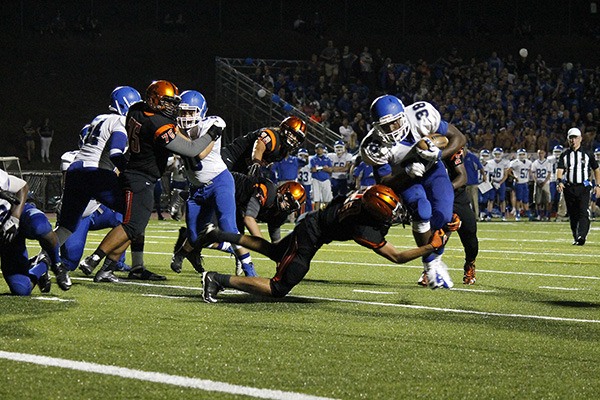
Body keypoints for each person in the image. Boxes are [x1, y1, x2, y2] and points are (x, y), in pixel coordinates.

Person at [199, 185, 451, 303]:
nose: (396, 215)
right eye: (391, 213)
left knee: (274, 250)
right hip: (312, 233)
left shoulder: (368, 194)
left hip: (317, 224)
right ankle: (216, 279)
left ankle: (219, 235)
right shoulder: (362, 227)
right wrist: (430, 247)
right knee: (280, 287)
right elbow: (396, 256)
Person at [80, 80, 221, 280]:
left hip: (136, 171)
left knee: (136, 225)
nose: (172, 106)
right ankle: (94, 258)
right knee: (131, 226)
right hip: (141, 177)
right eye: (167, 102)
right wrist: (212, 135)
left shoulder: (136, 110)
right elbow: (191, 150)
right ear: (154, 100)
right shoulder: (158, 124)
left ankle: (107, 268)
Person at [359, 95, 466, 289]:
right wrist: (407, 173)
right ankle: (431, 265)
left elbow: (459, 137)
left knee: (444, 214)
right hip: (404, 176)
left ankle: (434, 257)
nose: (392, 130)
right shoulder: (373, 146)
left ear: (403, 115)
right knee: (422, 210)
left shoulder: (421, 115)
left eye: (395, 122)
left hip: (433, 169)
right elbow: (384, 182)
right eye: (385, 126)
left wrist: (439, 154)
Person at [53, 86, 142, 287]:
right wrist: (128, 174)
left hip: (79, 174)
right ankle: (100, 261)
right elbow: (116, 153)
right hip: (96, 175)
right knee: (136, 215)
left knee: (65, 229)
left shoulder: (98, 119)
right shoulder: (120, 121)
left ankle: (40, 261)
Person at [169, 90, 257, 277]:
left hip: (219, 181)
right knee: (194, 236)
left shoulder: (212, 123)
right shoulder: (175, 129)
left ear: (200, 112)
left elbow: (199, 153)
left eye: (190, 112)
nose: (185, 116)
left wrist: (176, 133)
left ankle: (250, 271)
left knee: (228, 226)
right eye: (183, 112)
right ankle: (182, 253)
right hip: (197, 190)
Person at [1, 169, 62, 295]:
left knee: (39, 226)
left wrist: (14, 218)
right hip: (4, 238)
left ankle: (53, 262)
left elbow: (22, 186)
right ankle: (40, 265)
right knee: (21, 289)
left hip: (14, 221)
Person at [221, 116, 306, 177]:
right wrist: (256, 162)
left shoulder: (282, 152)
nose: (294, 139)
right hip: (231, 156)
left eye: (297, 137)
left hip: (242, 167)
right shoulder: (272, 136)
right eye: (293, 134)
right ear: (285, 128)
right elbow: (259, 147)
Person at [556, 128, 600, 245]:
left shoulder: (587, 153)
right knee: (573, 214)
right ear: (568, 139)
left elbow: (596, 169)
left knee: (583, 211)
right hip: (569, 188)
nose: (573, 140)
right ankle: (576, 236)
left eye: (575, 138)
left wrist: (598, 185)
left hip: (584, 187)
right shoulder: (564, 155)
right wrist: (559, 181)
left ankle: (582, 236)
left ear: (580, 139)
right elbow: (560, 169)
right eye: (571, 138)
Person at [484, 147, 509, 221]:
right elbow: (488, 174)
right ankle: (488, 215)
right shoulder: (489, 162)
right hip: (492, 183)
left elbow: (505, 175)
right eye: (496, 154)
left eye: (499, 154)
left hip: (501, 182)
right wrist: (493, 182)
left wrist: (500, 183)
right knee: (491, 199)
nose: (497, 155)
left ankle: (503, 215)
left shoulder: (505, 162)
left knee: (502, 199)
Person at [508, 149, 532, 221]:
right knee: (518, 199)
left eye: (523, 154)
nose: (521, 156)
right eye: (520, 154)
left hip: (525, 183)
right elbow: (508, 171)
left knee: (525, 200)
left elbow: (530, 171)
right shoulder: (515, 162)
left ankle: (527, 213)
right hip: (518, 183)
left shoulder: (528, 162)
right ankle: (517, 213)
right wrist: (514, 177)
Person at [463, 147, 485, 219]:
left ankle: (476, 216)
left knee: (474, 201)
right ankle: (468, 216)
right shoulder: (460, 157)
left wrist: (484, 176)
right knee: (466, 202)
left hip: (473, 182)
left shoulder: (472, 157)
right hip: (464, 183)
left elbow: (480, 167)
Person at [310, 143, 333, 210]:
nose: (319, 150)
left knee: (327, 200)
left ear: (323, 150)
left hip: (325, 180)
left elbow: (330, 169)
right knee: (316, 199)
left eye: (320, 148)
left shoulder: (327, 159)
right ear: (315, 150)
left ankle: (326, 214)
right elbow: (313, 169)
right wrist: (323, 168)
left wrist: (318, 168)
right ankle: (316, 214)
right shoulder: (312, 159)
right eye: (317, 148)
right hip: (316, 180)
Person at [531, 149, 552, 221]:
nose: (541, 154)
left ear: (545, 153)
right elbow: (533, 173)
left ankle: (546, 215)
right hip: (538, 183)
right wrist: (536, 181)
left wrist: (545, 181)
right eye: (539, 153)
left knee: (547, 200)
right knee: (537, 201)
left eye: (542, 153)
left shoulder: (548, 162)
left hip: (546, 183)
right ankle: (539, 215)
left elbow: (549, 174)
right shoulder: (535, 163)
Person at [296, 148, 313, 214]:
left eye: (304, 155)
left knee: (308, 199)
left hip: (307, 184)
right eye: (301, 155)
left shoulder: (310, 162)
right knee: (298, 200)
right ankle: (298, 214)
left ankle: (309, 213)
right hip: (299, 183)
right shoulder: (296, 162)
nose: (302, 157)